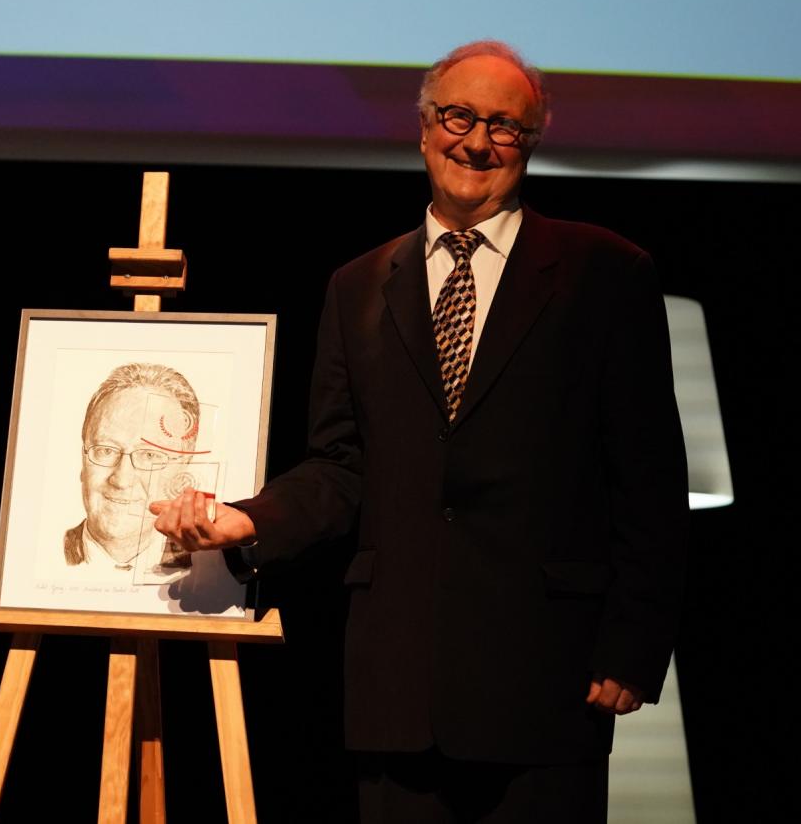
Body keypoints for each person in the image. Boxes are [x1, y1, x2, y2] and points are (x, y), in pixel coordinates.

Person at [151, 41, 688, 822]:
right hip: (399, 688)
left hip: (545, 683)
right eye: (459, 116)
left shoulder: (606, 274)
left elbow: (649, 480)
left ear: (531, 141)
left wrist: (633, 644)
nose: (476, 141)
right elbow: (339, 467)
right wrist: (250, 518)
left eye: (504, 126)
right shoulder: (358, 285)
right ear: (425, 127)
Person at [66, 362, 201, 574]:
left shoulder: (207, 569)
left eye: (149, 455)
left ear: (183, 472)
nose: (121, 480)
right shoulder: (40, 553)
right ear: (83, 461)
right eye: (106, 450)